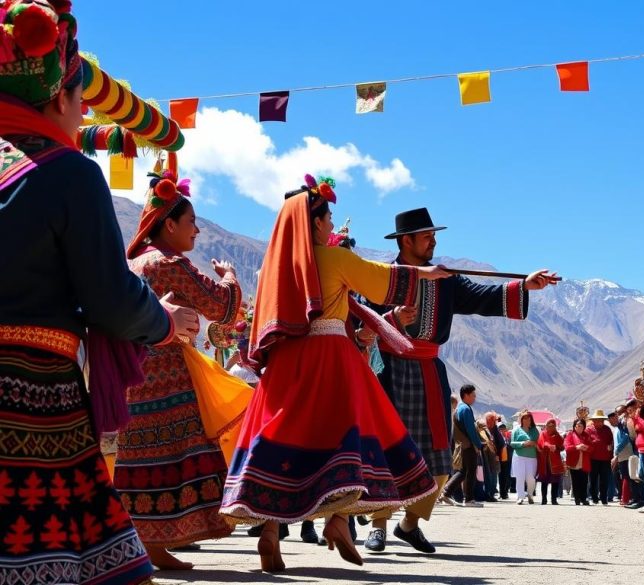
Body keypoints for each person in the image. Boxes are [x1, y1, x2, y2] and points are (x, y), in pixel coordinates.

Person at [0, 3, 201, 581]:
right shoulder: (67, 173)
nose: (83, 113)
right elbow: (111, 297)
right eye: (78, 99)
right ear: (58, 99)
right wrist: (164, 321)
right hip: (31, 401)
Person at [218, 176, 448, 571]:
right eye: (327, 218)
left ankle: (271, 532)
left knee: (286, 441)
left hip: (287, 361)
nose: (330, 225)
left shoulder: (276, 267)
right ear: (315, 222)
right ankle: (338, 521)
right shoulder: (333, 259)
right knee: (345, 440)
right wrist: (427, 274)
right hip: (331, 355)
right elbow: (381, 281)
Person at [365, 208, 558, 552]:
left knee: (438, 455)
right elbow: (363, 318)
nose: (434, 241)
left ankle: (410, 524)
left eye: (434, 235)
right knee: (385, 449)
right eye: (427, 236)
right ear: (406, 241)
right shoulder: (383, 277)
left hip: (430, 372)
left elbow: (481, 297)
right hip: (390, 371)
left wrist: (524, 285)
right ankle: (378, 525)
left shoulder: (446, 280)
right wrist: (391, 317)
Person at [112, 166, 243, 570]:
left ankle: (149, 545)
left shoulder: (133, 263)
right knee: (182, 451)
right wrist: (231, 276)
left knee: (139, 456)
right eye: (190, 223)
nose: (197, 232)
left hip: (131, 376)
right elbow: (223, 307)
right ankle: (158, 541)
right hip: (168, 376)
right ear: (168, 225)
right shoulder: (170, 264)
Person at [439, 384, 484, 507]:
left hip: (461, 445)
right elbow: (471, 430)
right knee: (470, 471)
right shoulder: (466, 409)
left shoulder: (459, 408)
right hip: (468, 445)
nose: (475, 398)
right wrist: (478, 444)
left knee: (463, 471)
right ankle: (469, 499)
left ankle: (446, 493)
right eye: (473, 395)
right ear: (466, 395)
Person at [510, 411, 540, 504]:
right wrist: (523, 443)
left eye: (529, 418)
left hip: (532, 457)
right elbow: (512, 443)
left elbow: (537, 441)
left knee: (531, 478)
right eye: (525, 418)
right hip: (519, 457)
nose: (527, 420)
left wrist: (533, 443)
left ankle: (530, 494)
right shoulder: (516, 430)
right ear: (521, 420)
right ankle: (520, 496)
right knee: (520, 477)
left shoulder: (535, 430)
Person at [586, 409, 614, 505]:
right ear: (593, 421)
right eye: (597, 420)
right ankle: (594, 497)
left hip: (605, 459)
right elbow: (586, 442)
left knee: (604, 479)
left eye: (601, 420)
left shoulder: (607, 429)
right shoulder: (589, 429)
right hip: (593, 458)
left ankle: (604, 498)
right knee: (593, 479)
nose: (600, 422)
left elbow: (611, 441)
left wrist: (610, 447)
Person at [564, 418, 593, 506]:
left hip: (584, 462)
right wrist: (577, 447)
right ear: (574, 426)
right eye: (577, 425)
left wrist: (586, 448)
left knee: (584, 481)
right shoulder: (570, 435)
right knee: (575, 481)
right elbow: (567, 448)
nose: (579, 427)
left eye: (581, 425)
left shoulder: (587, 435)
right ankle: (577, 499)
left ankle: (584, 499)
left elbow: (592, 448)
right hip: (574, 462)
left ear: (584, 427)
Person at [536, 419, 565, 505]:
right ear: (546, 426)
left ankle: (554, 499)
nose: (551, 427)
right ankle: (544, 499)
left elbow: (562, 446)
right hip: (545, 461)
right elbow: (542, 443)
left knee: (555, 481)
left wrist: (556, 446)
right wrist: (549, 446)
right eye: (549, 426)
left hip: (555, 461)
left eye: (553, 426)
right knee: (544, 481)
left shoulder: (557, 435)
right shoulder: (543, 433)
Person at [497, 421, 512, 499]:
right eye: (500, 429)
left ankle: (505, 492)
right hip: (500, 460)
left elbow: (512, 446)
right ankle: (501, 493)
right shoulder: (496, 438)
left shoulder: (509, 438)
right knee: (500, 477)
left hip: (508, 460)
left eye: (503, 429)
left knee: (507, 476)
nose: (502, 430)